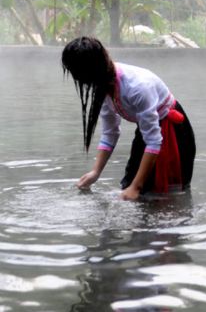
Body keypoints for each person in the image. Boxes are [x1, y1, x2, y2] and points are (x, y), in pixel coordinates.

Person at [62, 36, 196, 201]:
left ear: (90, 71)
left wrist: (136, 186)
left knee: (166, 196)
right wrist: (95, 172)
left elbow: (154, 141)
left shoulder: (137, 88)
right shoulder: (103, 86)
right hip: (148, 131)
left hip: (172, 131)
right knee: (129, 188)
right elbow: (110, 133)